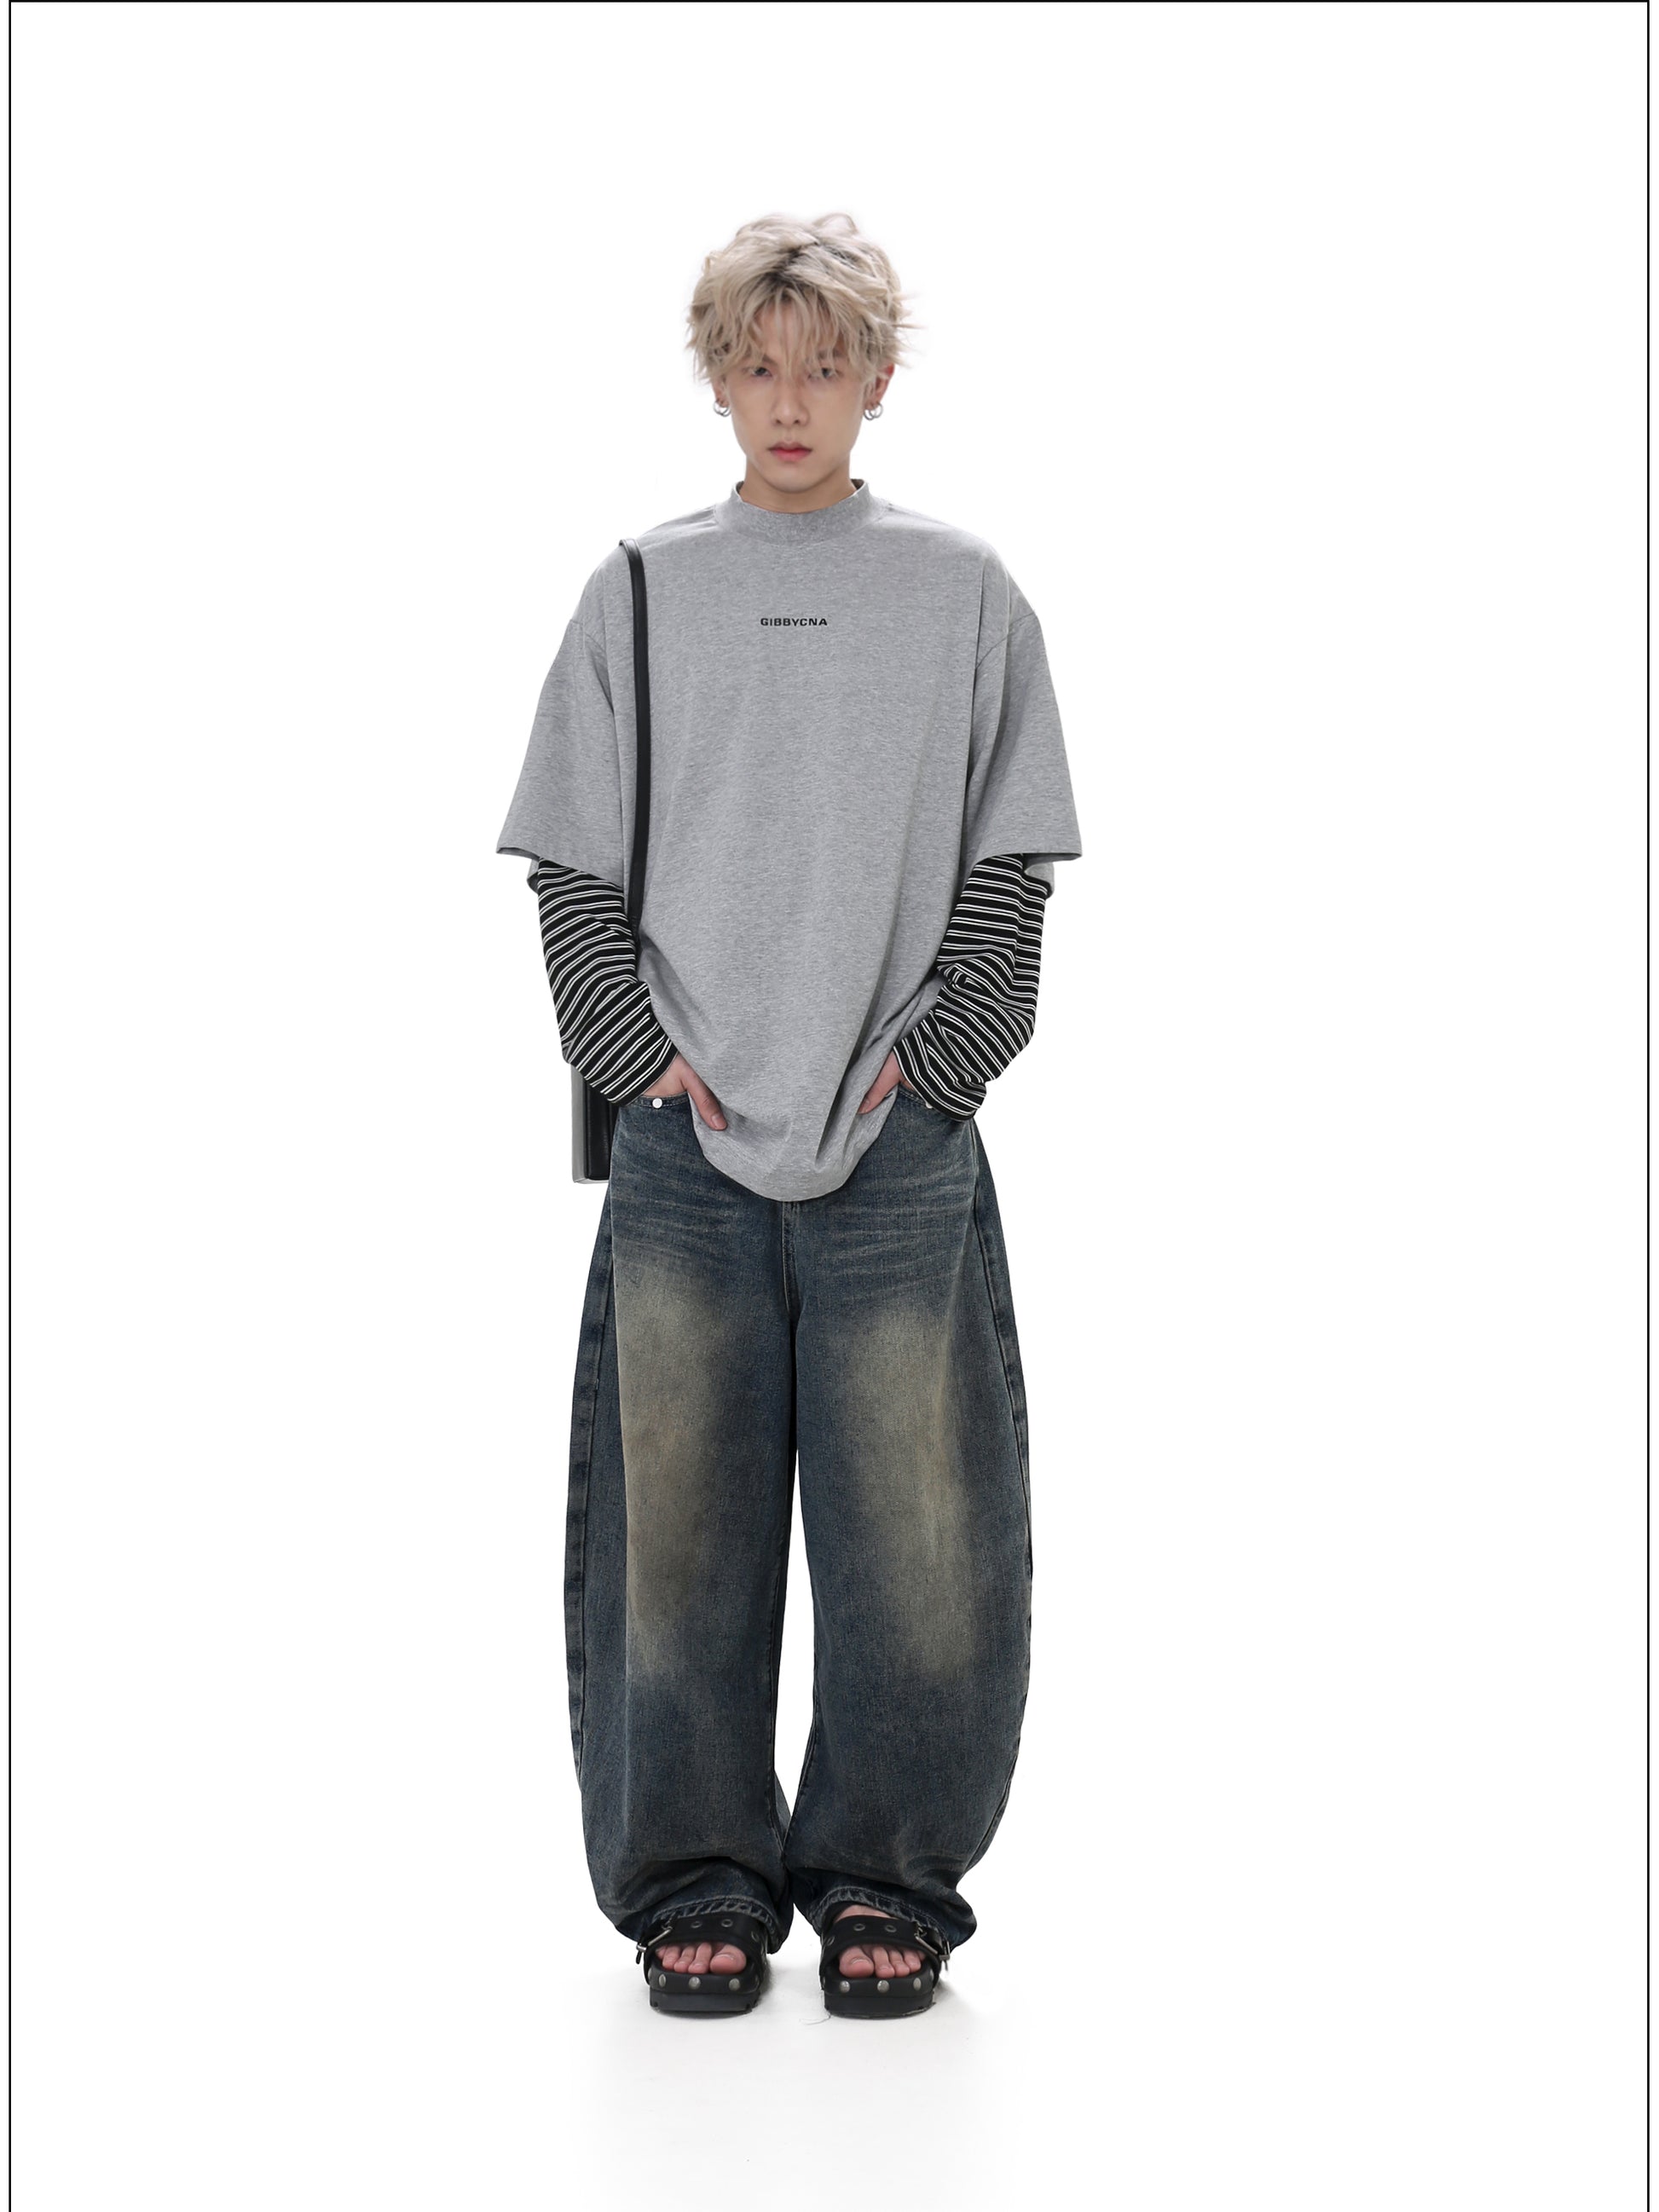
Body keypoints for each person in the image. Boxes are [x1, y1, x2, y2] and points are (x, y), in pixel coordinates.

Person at [495, 212, 1082, 2018]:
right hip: (684, 1130)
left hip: (897, 1128)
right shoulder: (640, 590)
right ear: (717, 379)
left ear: (876, 380)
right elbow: (570, 864)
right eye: (756, 366)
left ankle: (887, 1878)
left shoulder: (963, 594)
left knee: (919, 1527)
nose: (788, 401)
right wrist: (630, 1051)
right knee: (675, 1522)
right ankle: (696, 1877)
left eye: (823, 366)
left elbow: (1009, 861)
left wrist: (949, 1056)